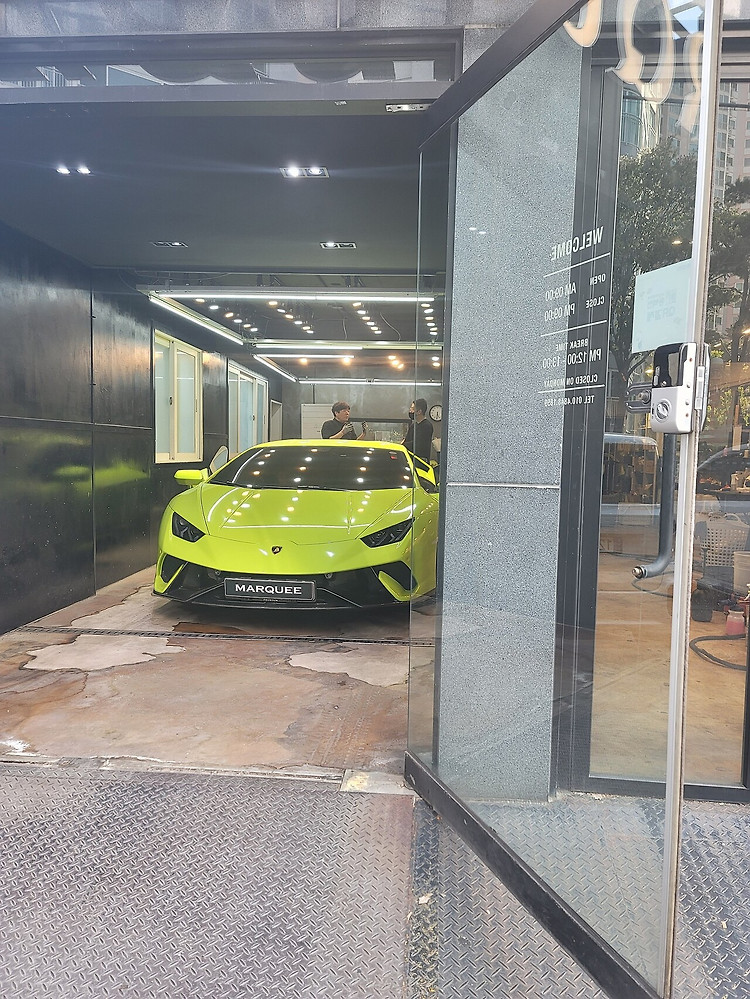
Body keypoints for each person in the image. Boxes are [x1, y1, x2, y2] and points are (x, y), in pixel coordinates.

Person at [401, 398, 433, 463]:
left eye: (412, 408)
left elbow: (418, 445)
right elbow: (406, 440)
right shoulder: (413, 426)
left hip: (421, 462)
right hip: (411, 460)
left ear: (419, 411)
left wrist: (403, 444)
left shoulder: (427, 426)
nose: (410, 410)